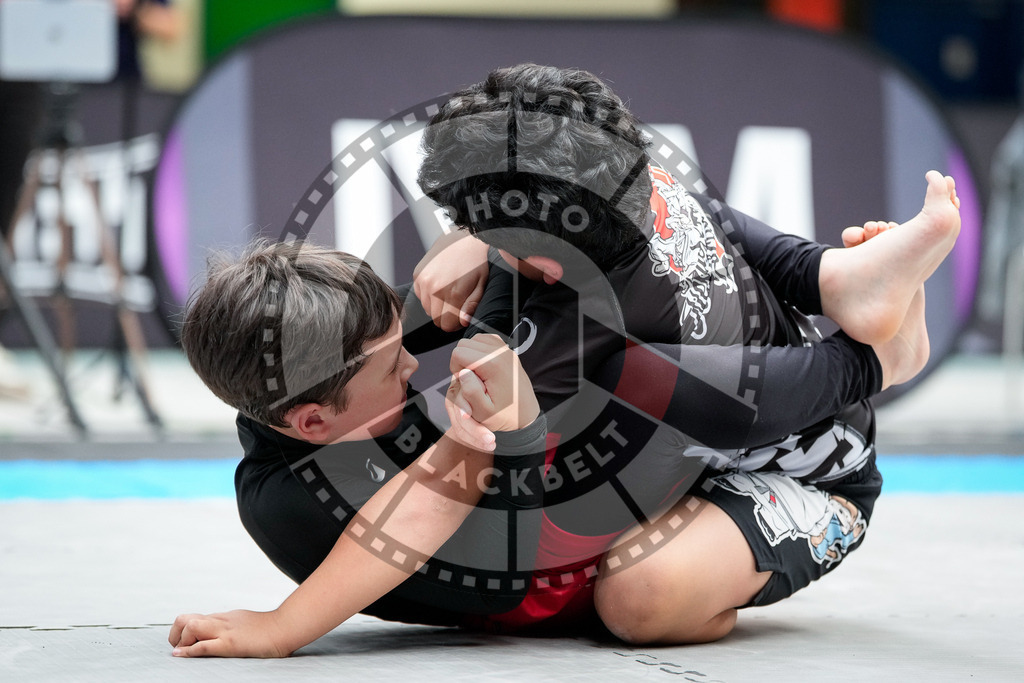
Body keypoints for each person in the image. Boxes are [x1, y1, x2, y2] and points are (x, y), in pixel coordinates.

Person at [168, 66, 959, 655]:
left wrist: (480, 235)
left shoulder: (327, 376)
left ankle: (833, 277)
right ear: (311, 421)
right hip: (721, 491)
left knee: (596, 215)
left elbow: (418, 322)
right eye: (392, 367)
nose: (415, 366)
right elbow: (433, 516)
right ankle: (877, 357)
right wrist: (285, 625)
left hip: (729, 437)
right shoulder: (292, 498)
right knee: (640, 589)